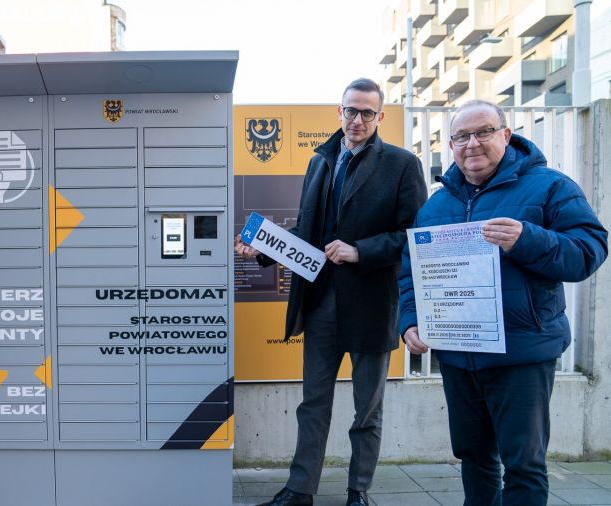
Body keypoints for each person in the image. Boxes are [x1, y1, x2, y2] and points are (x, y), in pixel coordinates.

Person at [399, 100, 607, 505]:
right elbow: (410, 273)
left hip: (522, 353)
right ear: (451, 145)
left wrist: (527, 239)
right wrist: (410, 320)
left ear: (506, 135)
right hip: (459, 356)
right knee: (473, 457)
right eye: (461, 136)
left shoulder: (550, 187)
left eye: (484, 132)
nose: (472, 144)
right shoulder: (435, 206)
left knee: (523, 465)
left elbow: (588, 251)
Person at [236, 78, 428, 506]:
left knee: (367, 410)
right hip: (320, 302)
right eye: (350, 110)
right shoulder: (320, 161)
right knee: (313, 404)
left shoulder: (402, 164)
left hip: (372, 306)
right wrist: (263, 249)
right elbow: (308, 230)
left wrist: (361, 251)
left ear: (380, 116)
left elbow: (414, 235)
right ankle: (299, 490)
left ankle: (358, 492)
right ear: (338, 112)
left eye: (367, 112)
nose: (357, 119)